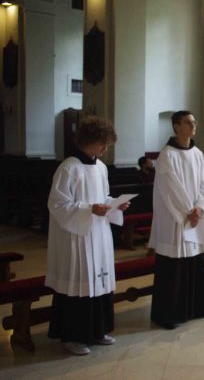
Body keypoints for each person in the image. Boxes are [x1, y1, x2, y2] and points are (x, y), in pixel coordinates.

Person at [46, 116, 130, 356]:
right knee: (79, 282)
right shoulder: (69, 167)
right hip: (77, 236)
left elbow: (102, 197)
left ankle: (97, 330)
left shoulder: (101, 167)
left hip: (98, 233)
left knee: (99, 279)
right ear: (89, 140)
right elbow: (57, 204)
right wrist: (89, 210)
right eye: (103, 144)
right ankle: (72, 336)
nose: (105, 149)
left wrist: (114, 204)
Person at [149, 111, 204, 330]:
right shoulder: (167, 155)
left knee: (195, 261)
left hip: (194, 215)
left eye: (194, 122)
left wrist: (199, 207)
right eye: (188, 122)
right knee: (173, 266)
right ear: (176, 127)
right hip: (175, 217)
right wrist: (188, 210)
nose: (193, 125)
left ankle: (195, 307)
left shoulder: (198, 153)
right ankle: (168, 314)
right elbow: (170, 188)